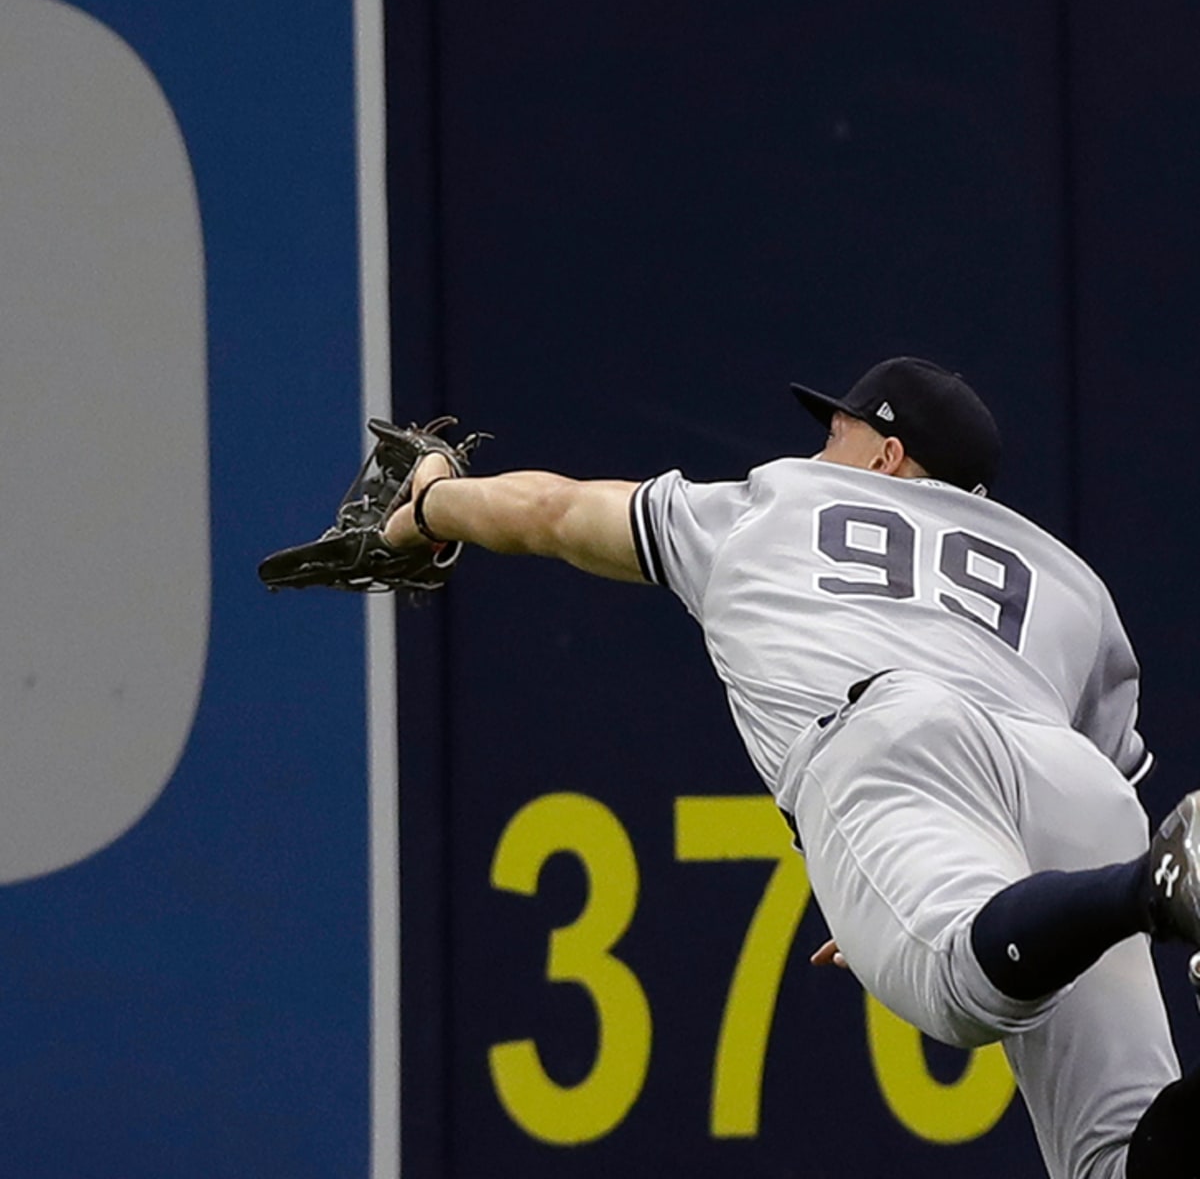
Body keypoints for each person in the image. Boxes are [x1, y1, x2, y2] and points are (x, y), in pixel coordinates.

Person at [383, 356, 1200, 1179]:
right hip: (1075, 779)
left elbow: (552, 511)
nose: (816, 450)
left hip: (894, 735)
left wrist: (429, 501)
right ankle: (1158, 879)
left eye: (836, 432)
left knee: (959, 990)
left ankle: (1152, 886)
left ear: (888, 457)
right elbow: (1073, 788)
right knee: (1118, 1160)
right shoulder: (1071, 583)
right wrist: (894, 887)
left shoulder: (773, 502)